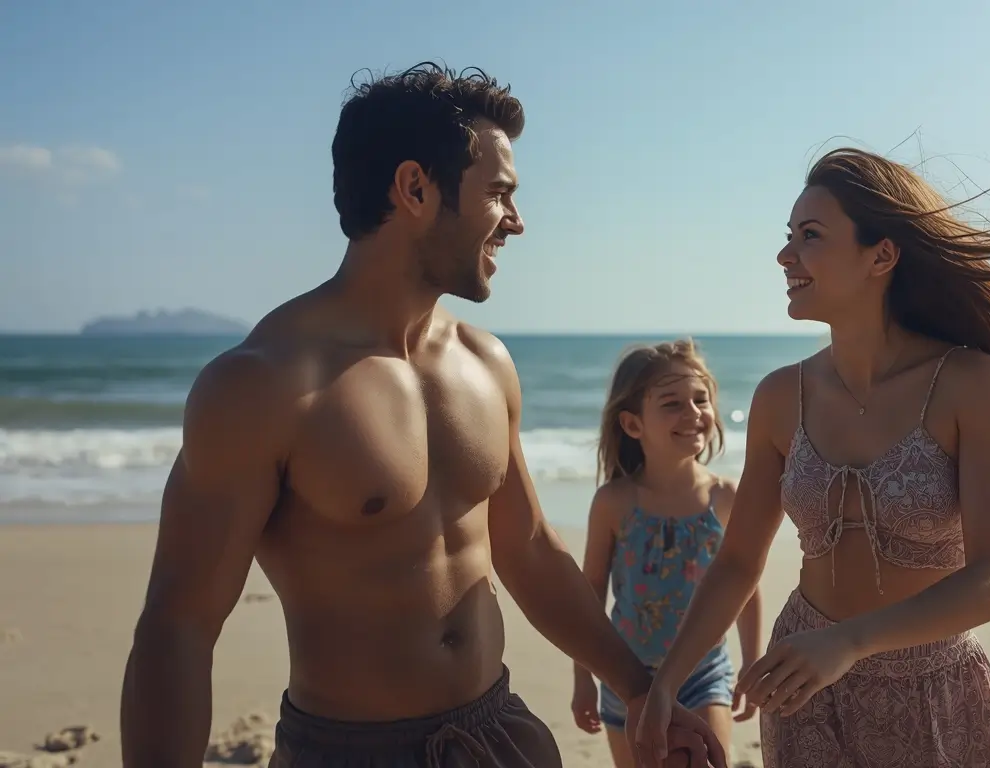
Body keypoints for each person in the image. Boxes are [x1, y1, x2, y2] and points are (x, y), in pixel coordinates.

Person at [118, 62, 726, 768]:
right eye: (499, 194)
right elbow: (178, 629)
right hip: (350, 753)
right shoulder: (264, 386)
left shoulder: (485, 362)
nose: (518, 222)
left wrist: (641, 687)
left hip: (500, 734)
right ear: (415, 188)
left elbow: (526, 547)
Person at [632, 147, 990, 768]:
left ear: (883, 254)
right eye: (788, 237)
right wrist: (666, 683)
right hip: (803, 687)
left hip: (934, 692)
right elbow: (737, 560)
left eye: (810, 237)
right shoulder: (782, 395)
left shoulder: (968, 382)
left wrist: (850, 643)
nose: (786, 256)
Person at [570, 341, 764, 767]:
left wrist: (751, 661)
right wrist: (583, 678)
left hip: (704, 671)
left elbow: (745, 585)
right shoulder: (614, 503)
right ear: (633, 424)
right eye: (672, 403)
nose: (693, 413)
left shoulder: (726, 498)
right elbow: (589, 595)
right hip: (626, 677)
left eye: (701, 399)